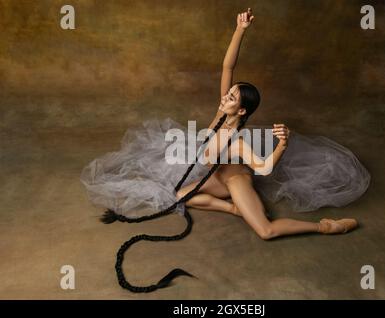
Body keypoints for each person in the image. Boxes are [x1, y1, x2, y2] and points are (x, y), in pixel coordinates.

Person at [80, 8, 370, 240]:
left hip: (235, 179)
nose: (224, 98)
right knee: (179, 195)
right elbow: (227, 67)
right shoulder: (221, 115)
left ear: (241, 109)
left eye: (231, 98)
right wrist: (240, 30)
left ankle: (325, 227)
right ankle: (232, 208)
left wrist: (282, 144)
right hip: (216, 177)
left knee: (265, 231)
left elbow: (265, 168)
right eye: (228, 94)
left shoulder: (238, 142)